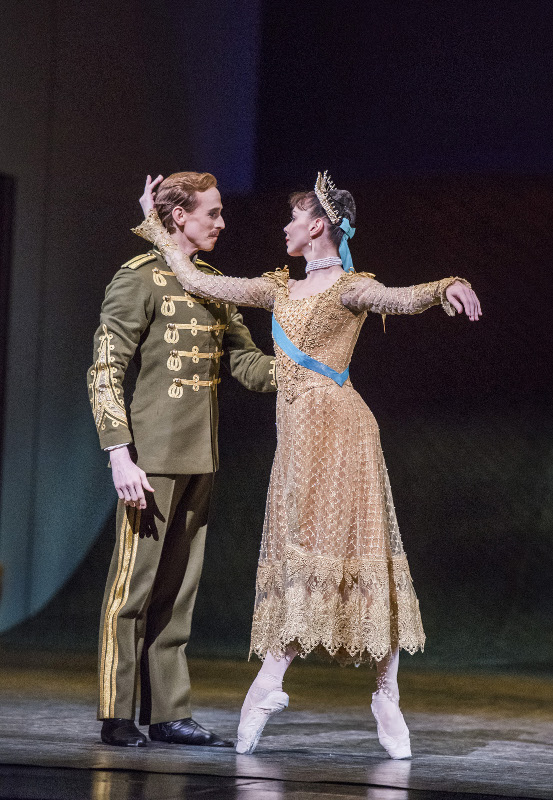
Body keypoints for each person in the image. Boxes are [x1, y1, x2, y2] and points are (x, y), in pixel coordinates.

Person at [133, 171, 482, 758]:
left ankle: (379, 691)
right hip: (296, 444)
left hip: (344, 435)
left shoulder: (351, 288)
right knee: (300, 552)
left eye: (294, 219)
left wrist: (448, 284)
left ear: (316, 225)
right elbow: (193, 279)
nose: (286, 228)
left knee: (360, 550)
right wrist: (157, 222)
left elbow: (400, 297)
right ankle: (273, 683)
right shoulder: (276, 289)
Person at [87, 171, 277, 748]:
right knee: (133, 590)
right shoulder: (139, 278)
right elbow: (105, 368)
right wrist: (120, 454)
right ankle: (117, 714)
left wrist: (310, 368)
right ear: (178, 217)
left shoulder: (215, 284)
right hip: (149, 460)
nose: (221, 222)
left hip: (201, 459)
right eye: (211, 213)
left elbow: (245, 363)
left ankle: (167, 711)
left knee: (178, 590)